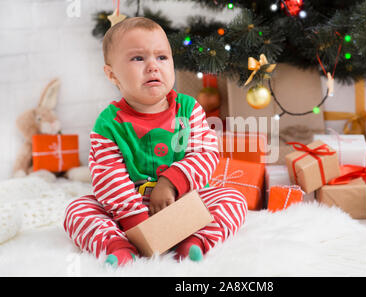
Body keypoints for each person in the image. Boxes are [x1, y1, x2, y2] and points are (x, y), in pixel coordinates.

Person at [63, 17, 247, 267]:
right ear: (112, 74)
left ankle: (195, 241)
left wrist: (171, 183)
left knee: (233, 199)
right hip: (126, 211)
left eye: (162, 57)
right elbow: (109, 178)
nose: (153, 66)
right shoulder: (108, 124)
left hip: (181, 202)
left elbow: (205, 154)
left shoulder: (188, 109)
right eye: (138, 58)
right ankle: (118, 246)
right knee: (77, 210)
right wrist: (137, 224)